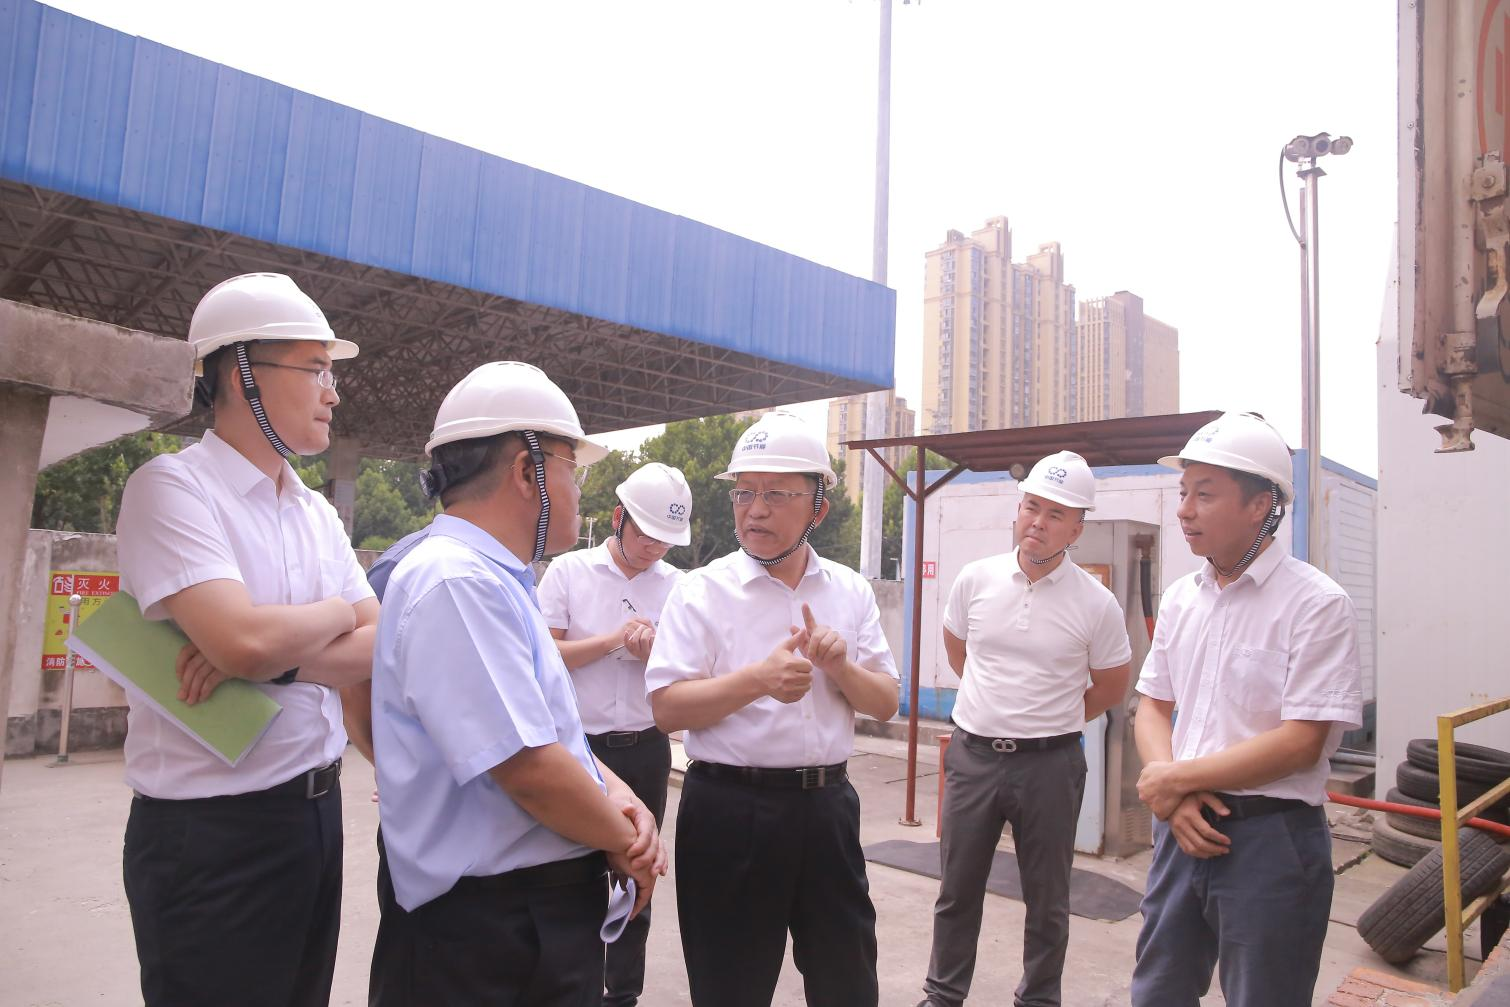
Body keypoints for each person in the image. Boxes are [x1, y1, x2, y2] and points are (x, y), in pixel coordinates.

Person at [114, 272, 378, 1006]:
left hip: (315, 815)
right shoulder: (171, 488)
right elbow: (243, 641)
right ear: (243, 377)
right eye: (316, 369)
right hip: (210, 836)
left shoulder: (314, 511)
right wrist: (333, 610)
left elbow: (381, 639)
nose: (332, 392)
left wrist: (275, 659)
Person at [367, 361, 666, 1006]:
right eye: (571, 468)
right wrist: (626, 842)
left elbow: (552, 734)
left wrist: (622, 799)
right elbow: (528, 768)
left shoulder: (498, 579)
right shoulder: (456, 582)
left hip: (522, 918)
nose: (578, 489)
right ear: (528, 471)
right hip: (485, 932)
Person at [646, 410, 900, 1007]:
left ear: (818, 508)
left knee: (847, 982)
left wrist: (841, 669)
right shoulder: (700, 591)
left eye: (777, 494)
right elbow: (666, 708)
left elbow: (886, 702)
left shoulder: (849, 590)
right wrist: (757, 681)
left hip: (828, 810)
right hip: (730, 811)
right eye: (744, 493)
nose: (754, 510)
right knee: (729, 987)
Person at [1130, 411, 1362, 1007]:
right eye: (1184, 492)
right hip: (1181, 825)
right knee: (1158, 992)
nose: (1185, 510)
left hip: (1269, 840)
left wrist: (1173, 781)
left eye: (1205, 495)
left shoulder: (1315, 604)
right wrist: (1174, 795)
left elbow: (1301, 742)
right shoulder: (1182, 598)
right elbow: (1152, 706)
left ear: (1260, 505)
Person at [916, 451, 1132, 1007]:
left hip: (1050, 765)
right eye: (1032, 507)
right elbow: (959, 650)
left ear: (1076, 529)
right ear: (1018, 509)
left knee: (1048, 897)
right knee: (957, 889)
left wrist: (1051, 718)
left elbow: (1112, 685)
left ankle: (1038, 998)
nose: (1038, 521)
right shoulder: (976, 579)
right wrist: (995, 705)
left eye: (1055, 514)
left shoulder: (1096, 603)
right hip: (974, 758)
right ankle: (944, 995)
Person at [537, 462, 693, 1007]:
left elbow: (690, 671)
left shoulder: (678, 587)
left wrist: (656, 654)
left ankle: (623, 993)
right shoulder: (570, 572)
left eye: (665, 540)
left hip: (645, 748)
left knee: (638, 871)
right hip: (579, 749)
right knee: (569, 869)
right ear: (618, 517)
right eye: (646, 534)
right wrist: (612, 641)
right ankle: (568, 987)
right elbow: (545, 655)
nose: (654, 548)